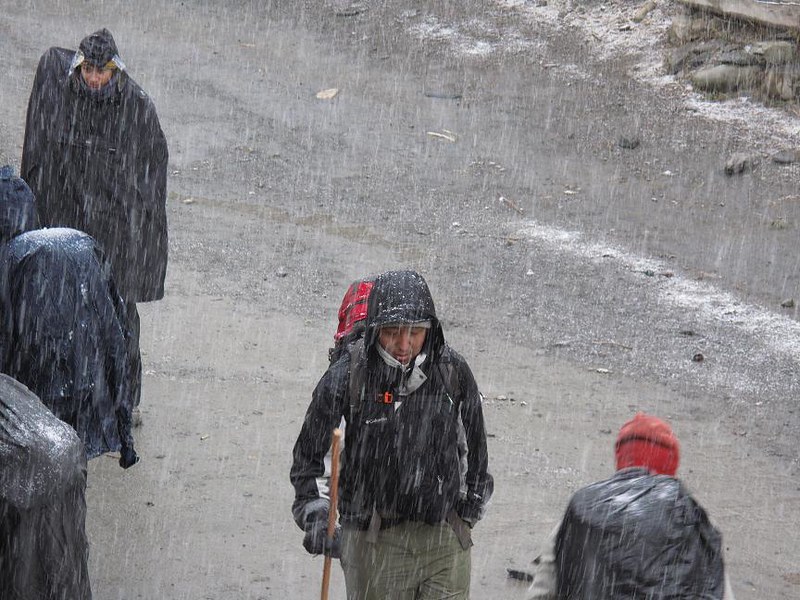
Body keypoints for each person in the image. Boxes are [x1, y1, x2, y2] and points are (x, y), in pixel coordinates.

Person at [291, 269, 494, 600]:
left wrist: (467, 513)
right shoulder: (346, 379)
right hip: (373, 542)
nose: (404, 345)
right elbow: (311, 462)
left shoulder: (452, 373)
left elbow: (475, 451)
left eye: (415, 332)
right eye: (392, 332)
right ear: (375, 332)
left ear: (430, 330)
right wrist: (317, 519)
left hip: (444, 539)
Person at [21, 28, 169, 423]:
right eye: (87, 68)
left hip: (113, 234)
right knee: (63, 313)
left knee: (119, 318)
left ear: (114, 71)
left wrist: (136, 244)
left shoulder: (136, 109)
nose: (92, 78)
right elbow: (41, 149)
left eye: (100, 71)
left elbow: (151, 184)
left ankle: (126, 401)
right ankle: (70, 396)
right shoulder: (61, 92)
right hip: (70, 222)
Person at [0, 165, 137, 468]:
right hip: (87, 387)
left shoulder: (11, 260)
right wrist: (126, 436)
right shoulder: (82, 244)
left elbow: (6, 344)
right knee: (71, 468)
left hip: (40, 395)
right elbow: (119, 336)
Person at [526, 412, 735, 600]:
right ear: (670, 464)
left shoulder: (585, 510)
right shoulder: (691, 517)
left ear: (621, 460)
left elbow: (542, 592)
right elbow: (719, 592)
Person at [0, 373, 92, 599]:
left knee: (27, 571)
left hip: (33, 475)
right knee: (65, 559)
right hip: (65, 452)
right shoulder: (7, 384)